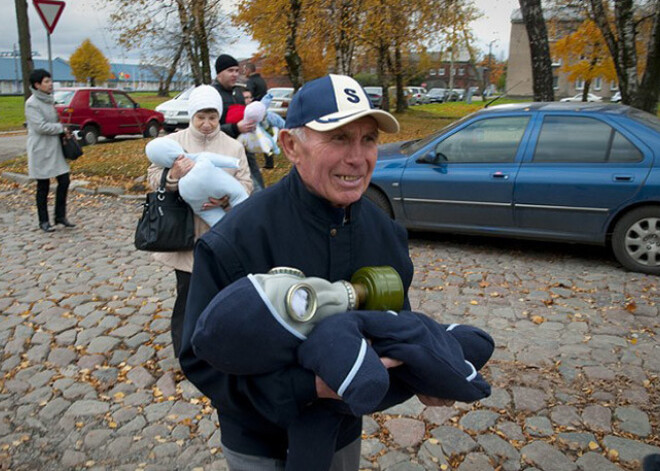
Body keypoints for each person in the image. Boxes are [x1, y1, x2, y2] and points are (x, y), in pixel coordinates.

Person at [180, 74, 453, 471]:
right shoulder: (235, 239)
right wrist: (309, 388)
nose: (357, 158)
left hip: (341, 435)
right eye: (339, 138)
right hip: (258, 442)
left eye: (368, 139)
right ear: (291, 145)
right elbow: (199, 359)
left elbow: (395, 329)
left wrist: (423, 371)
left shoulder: (386, 235)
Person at [147, 84, 252, 358]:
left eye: (212, 117)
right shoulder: (175, 141)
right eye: (201, 117)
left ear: (219, 116)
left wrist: (225, 198)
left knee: (222, 296)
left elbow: (246, 184)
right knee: (187, 298)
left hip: (222, 235)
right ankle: (185, 353)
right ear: (191, 115)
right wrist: (173, 177)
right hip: (185, 236)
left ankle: (220, 349)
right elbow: (151, 179)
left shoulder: (232, 146)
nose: (207, 124)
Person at [25, 68, 75, 232]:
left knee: (64, 181)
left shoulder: (49, 100)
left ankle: (60, 216)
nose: (50, 84)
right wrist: (60, 127)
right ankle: (44, 221)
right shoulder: (32, 103)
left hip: (55, 148)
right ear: (37, 85)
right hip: (41, 149)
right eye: (46, 81)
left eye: (49, 80)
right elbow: (40, 126)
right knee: (43, 185)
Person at [212, 53, 264, 190]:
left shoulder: (238, 93)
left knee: (258, 191)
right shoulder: (212, 95)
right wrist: (235, 128)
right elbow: (208, 130)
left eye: (236, 70)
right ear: (219, 74)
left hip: (245, 153)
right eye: (230, 71)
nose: (235, 74)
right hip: (223, 157)